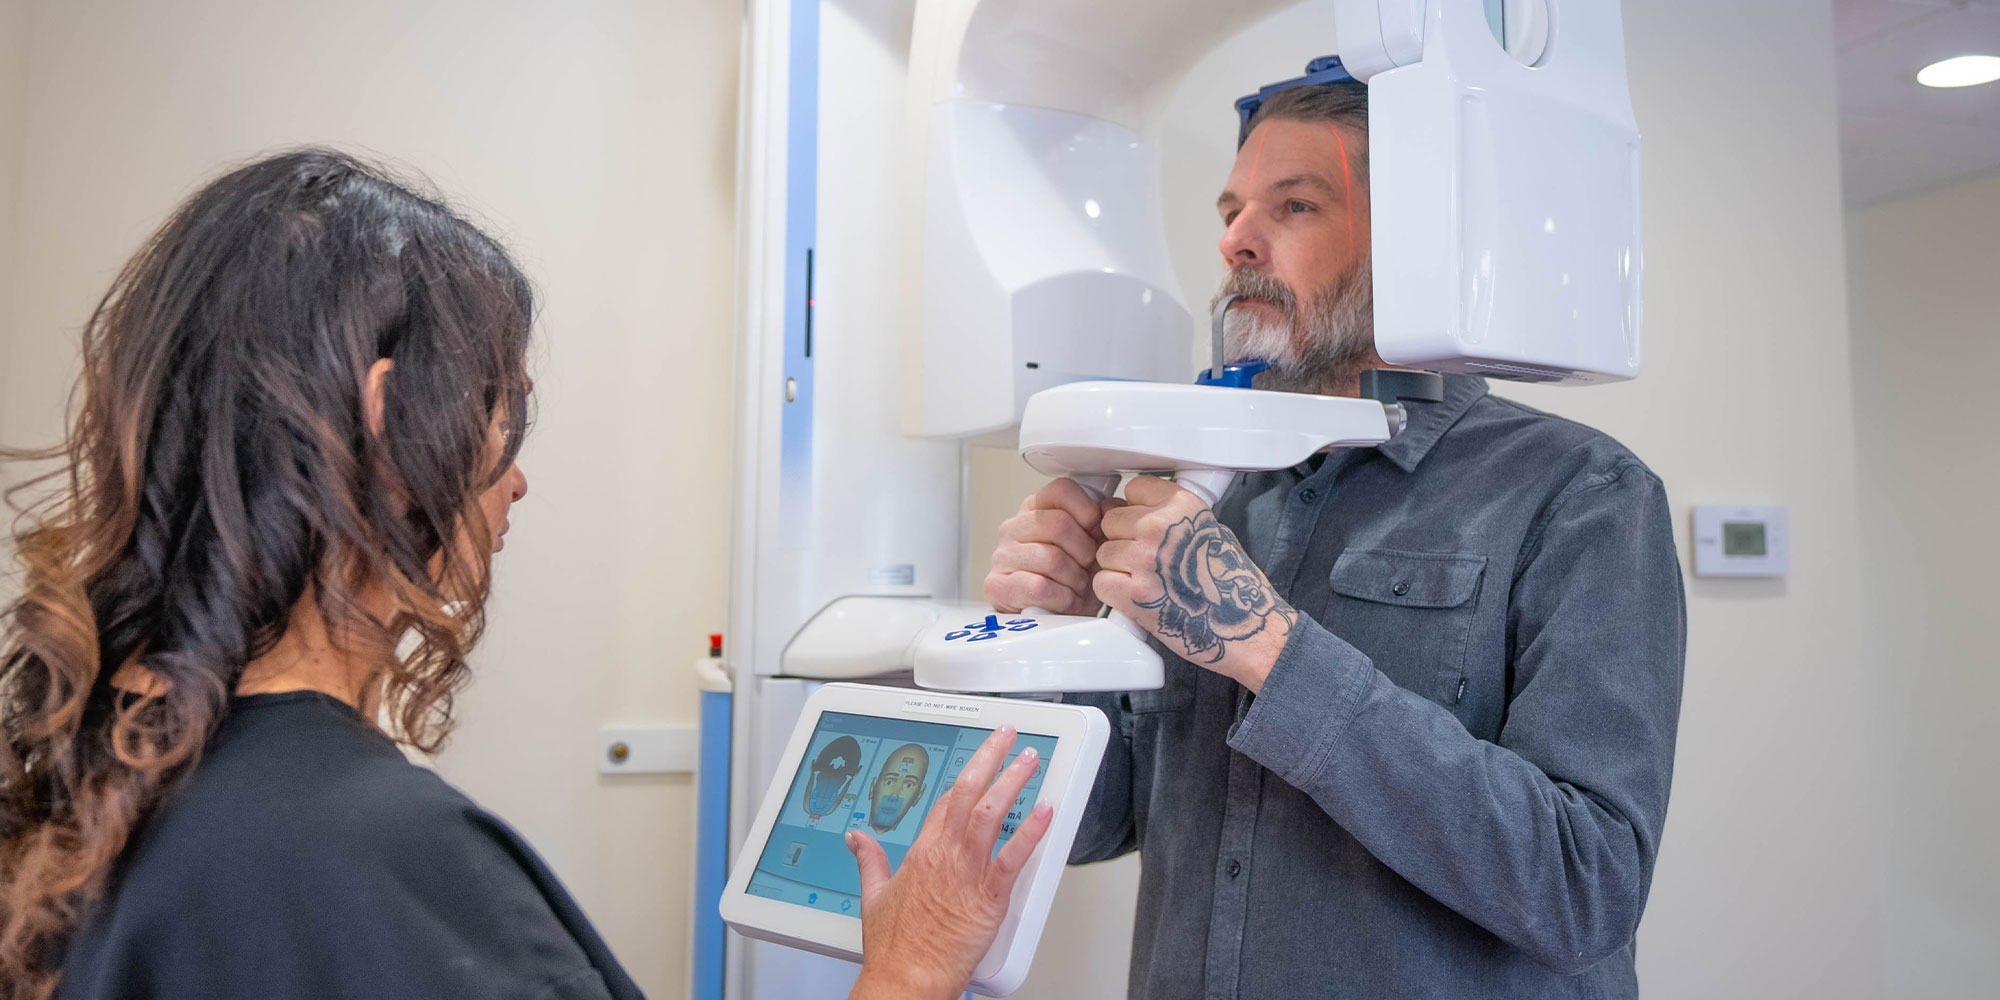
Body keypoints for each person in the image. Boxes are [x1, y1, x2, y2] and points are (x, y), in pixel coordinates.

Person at [0, 150, 1051, 1000]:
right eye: (508, 415)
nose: (516, 485)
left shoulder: (121, 767)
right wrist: (911, 969)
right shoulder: (370, 857)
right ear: (386, 415)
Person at [985, 82, 1686, 999]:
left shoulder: (1579, 493)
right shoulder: (1210, 492)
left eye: (1296, 205)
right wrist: (1053, 640)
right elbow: (1096, 824)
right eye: (1233, 210)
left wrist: (1269, 652)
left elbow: (1584, 889)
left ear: (1412, 245)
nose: (1236, 240)